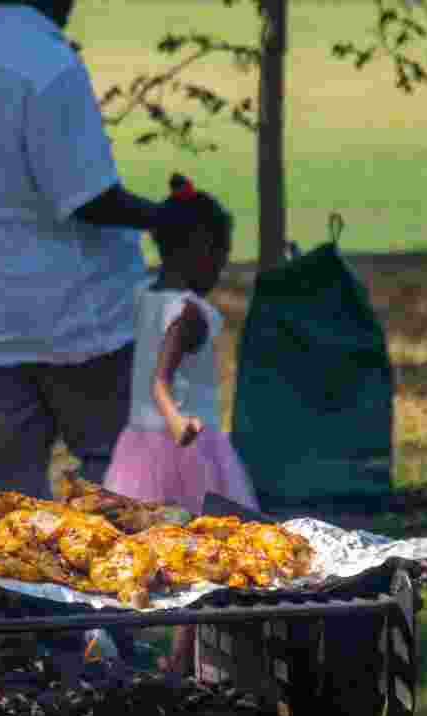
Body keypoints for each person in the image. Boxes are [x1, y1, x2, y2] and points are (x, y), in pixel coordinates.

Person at [0, 0, 197, 669]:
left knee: (3, 501)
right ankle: (107, 633)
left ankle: (6, 655)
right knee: (110, 482)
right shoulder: (50, 68)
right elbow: (86, 195)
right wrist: (164, 218)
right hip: (78, 321)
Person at [104, 174, 260, 674]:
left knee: (152, 556)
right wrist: (175, 419)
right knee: (210, 552)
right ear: (196, 248)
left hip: (136, 447)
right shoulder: (189, 312)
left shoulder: (145, 296)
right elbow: (159, 380)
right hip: (187, 450)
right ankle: (183, 660)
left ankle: (146, 654)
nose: (222, 265)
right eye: (220, 252)